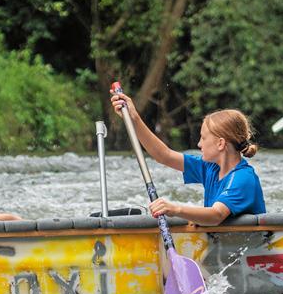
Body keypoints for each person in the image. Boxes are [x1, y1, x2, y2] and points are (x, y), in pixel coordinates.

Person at [108, 91, 264, 225]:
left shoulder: (242, 177)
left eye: (203, 138)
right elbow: (164, 155)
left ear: (220, 144)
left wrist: (175, 209)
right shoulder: (209, 167)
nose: (198, 143)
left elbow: (216, 215)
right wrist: (134, 118)